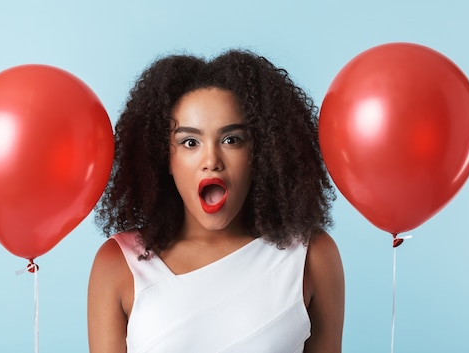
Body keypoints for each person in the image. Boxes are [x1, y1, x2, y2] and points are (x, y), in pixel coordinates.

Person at [87, 49, 344, 353]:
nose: (211, 160)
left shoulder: (310, 256)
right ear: (165, 157)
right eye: (190, 142)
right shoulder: (118, 265)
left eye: (231, 140)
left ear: (259, 153)